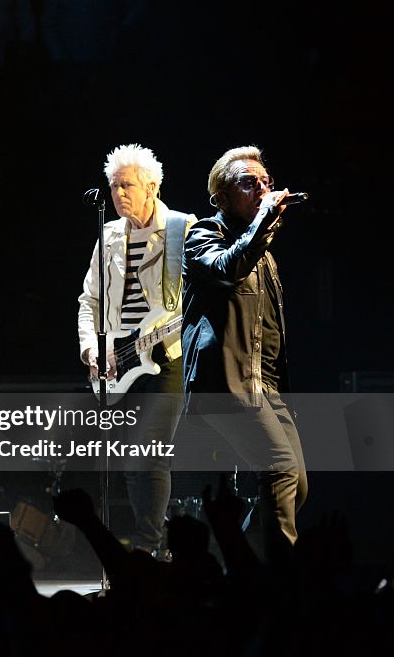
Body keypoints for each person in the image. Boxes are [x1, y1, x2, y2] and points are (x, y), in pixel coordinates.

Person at [181, 146, 307, 563]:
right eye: (249, 183)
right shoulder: (204, 234)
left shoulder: (264, 252)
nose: (262, 190)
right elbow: (227, 270)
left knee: (296, 485)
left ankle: (238, 557)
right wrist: (263, 221)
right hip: (227, 383)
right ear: (221, 195)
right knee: (280, 472)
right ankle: (280, 581)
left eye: (266, 183)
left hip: (265, 385)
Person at [77, 143, 195, 555]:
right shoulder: (107, 235)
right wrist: (92, 348)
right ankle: (148, 546)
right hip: (116, 361)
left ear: (153, 186)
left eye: (127, 185)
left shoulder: (182, 228)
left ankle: (150, 547)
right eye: (113, 187)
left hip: (165, 358)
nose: (119, 194)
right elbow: (89, 301)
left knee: (151, 453)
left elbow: (191, 302)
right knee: (130, 462)